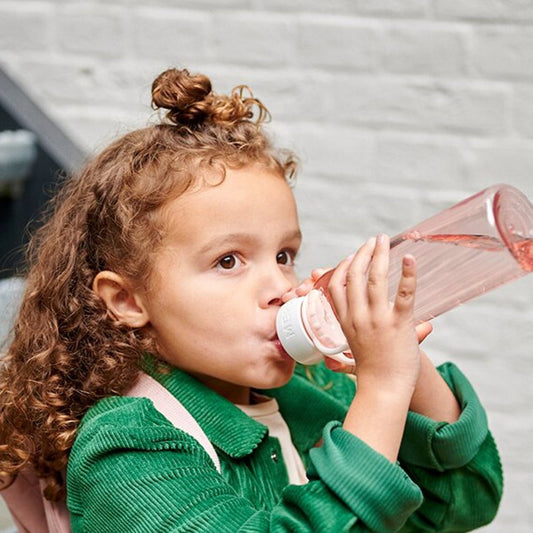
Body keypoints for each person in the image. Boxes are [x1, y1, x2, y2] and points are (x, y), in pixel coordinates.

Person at [0, 67, 502, 532]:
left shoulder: (312, 390)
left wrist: (406, 369)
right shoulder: (126, 448)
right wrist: (383, 391)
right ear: (127, 300)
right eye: (228, 261)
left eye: (284, 255)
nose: (281, 287)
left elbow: (462, 503)